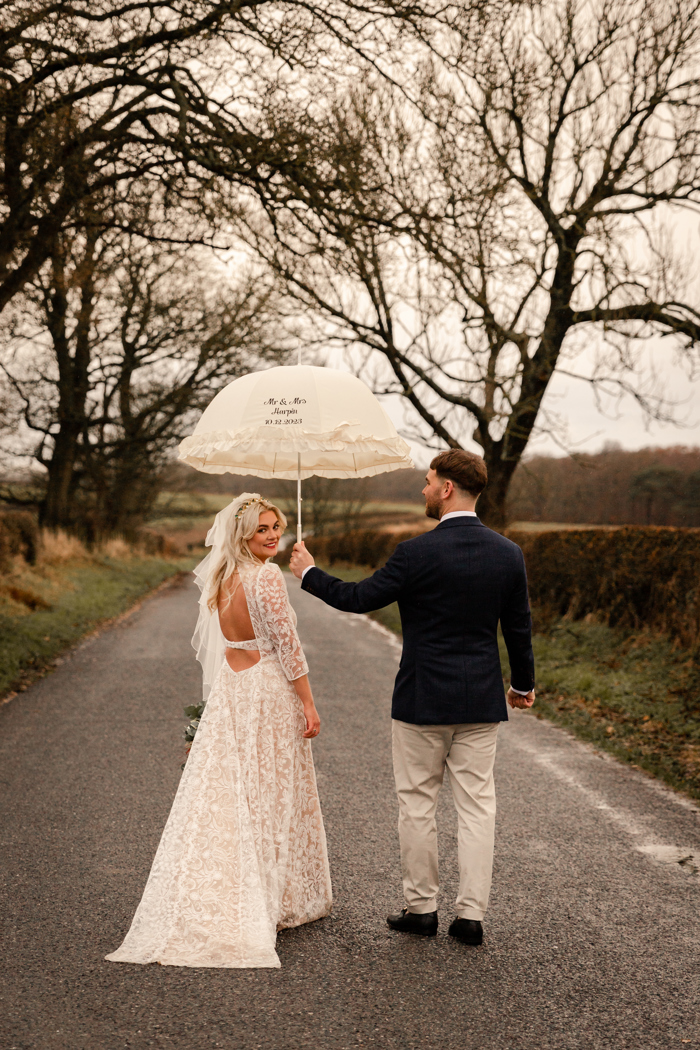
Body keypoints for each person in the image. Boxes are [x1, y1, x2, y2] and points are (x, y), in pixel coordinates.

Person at [290, 450, 534, 946]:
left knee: (417, 804)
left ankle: (422, 909)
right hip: (480, 702)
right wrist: (522, 686)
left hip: (422, 700)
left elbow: (358, 598)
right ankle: (470, 918)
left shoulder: (415, 554)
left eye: (427, 482)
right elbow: (518, 629)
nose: (423, 490)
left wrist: (308, 573)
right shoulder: (508, 553)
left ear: (446, 488)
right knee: (477, 807)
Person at [106, 493, 332, 968]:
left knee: (233, 792)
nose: (272, 535)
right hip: (267, 692)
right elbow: (289, 649)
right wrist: (308, 703)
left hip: (233, 691)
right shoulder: (266, 577)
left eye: (276, 526)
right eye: (262, 529)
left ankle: (240, 887)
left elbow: (232, 643)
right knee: (270, 791)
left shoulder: (223, 577)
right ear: (243, 534)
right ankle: (270, 898)